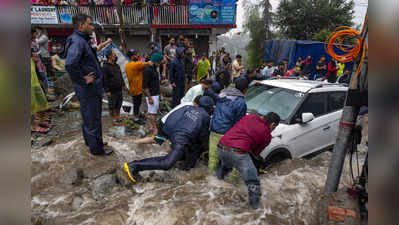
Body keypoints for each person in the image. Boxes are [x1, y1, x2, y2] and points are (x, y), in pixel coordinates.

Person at [123, 96, 215, 182]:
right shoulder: (206, 117)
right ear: (209, 109)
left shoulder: (187, 107)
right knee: (166, 164)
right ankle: (133, 166)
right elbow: (203, 137)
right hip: (180, 137)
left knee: (182, 150)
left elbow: (173, 116)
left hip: (167, 128)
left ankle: (183, 163)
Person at [64, 13, 113, 155]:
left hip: (91, 88)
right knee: (93, 119)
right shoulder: (78, 41)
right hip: (88, 89)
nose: (92, 27)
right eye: (90, 24)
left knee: (89, 117)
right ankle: (97, 149)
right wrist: (83, 79)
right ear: (81, 25)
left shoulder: (82, 40)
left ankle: (92, 141)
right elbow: (70, 64)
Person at [217, 112, 280, 209]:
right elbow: (254, 153)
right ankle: (255, 209)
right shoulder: (267, 135)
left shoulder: (250, 116)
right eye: (274, 127)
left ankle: (215, 186)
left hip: (221, 146)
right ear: (273, 125)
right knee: (253, 182)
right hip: (238, 152)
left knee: (225, 167)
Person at [208, 78, 249, 174]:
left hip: (214, 129)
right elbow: (238, 123)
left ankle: (209, 179)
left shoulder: (223, 94)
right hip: (226, 133)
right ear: (245, 90)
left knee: (212, 159)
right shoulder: (241, 102)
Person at [125, 49, 148, 125]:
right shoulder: (135, 64)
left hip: (133, 88)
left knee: (137, 103)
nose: (137, 56)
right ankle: (136, 118)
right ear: (132, 56)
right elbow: (145, 63)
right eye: (135, 55)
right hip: (137, 88)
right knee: (136, 104)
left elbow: (141, 63)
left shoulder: (128, 65)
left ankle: (138, 114)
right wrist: (145, 58)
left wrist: (143, 58)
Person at [142, 53, 163, 135]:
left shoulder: (154, 68)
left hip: (155, 93)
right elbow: (145, 86)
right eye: (159, 62)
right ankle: (154, 129)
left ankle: (151, 126)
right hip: (152, 95)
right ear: (155, 61)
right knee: (152, 113)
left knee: (153, 111)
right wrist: (149, 98)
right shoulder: (147, 70)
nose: (159, 64)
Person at [102, 50, 124, 126]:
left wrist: (123, 85)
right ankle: (113, 119)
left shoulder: (116, 65)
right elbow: (105, 79)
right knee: (112, 105)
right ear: (109, 56)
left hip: (119, 89)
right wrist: (107, 90)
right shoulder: (105, 67)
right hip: (111, 90)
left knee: (119, 104)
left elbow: (120, 76)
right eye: (114, 55)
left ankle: (118, 117)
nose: (115, 56)